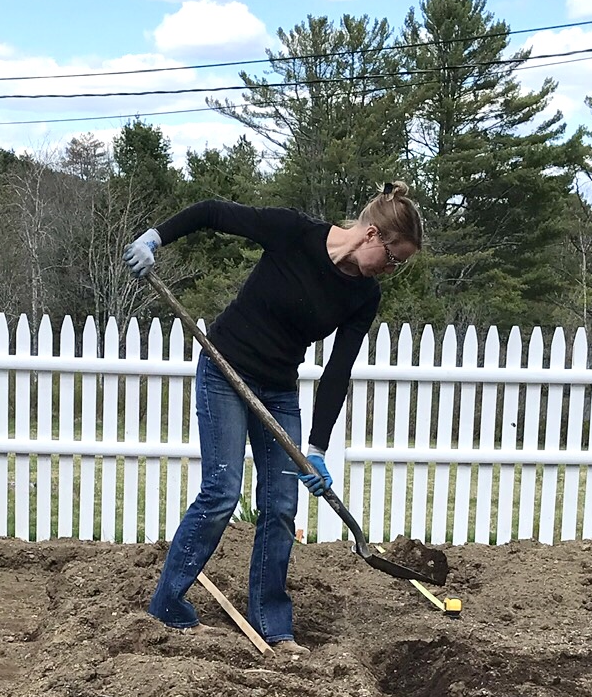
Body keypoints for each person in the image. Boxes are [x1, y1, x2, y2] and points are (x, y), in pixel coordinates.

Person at [124, 183, 423, 653]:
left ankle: (272, 624)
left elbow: (337, 370)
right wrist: (155, 239)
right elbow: (214, 211)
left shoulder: (364, 296)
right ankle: (168, 604)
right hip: (225, 368)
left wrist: (318, 449)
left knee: (282, 504)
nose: (391, 269)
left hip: (279, 388)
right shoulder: (293, 232)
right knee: (222, 491)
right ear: (370, 235)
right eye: (393, 258)